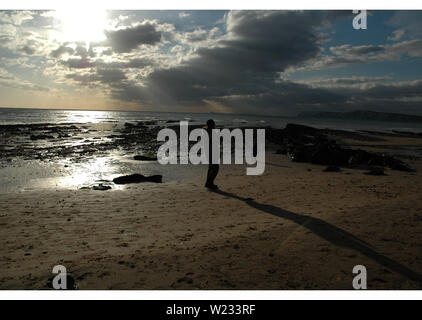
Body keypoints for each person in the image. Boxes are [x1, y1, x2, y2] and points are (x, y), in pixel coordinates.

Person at [205, 119, 219, 189]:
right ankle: (209, 183)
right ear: (210, 125)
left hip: (209, 152)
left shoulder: (208, 131)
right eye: (213, 124)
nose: (214, 125)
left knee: (211, 168)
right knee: (215, 168)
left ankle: (209, 183)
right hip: (212, 152)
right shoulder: (210, 132)